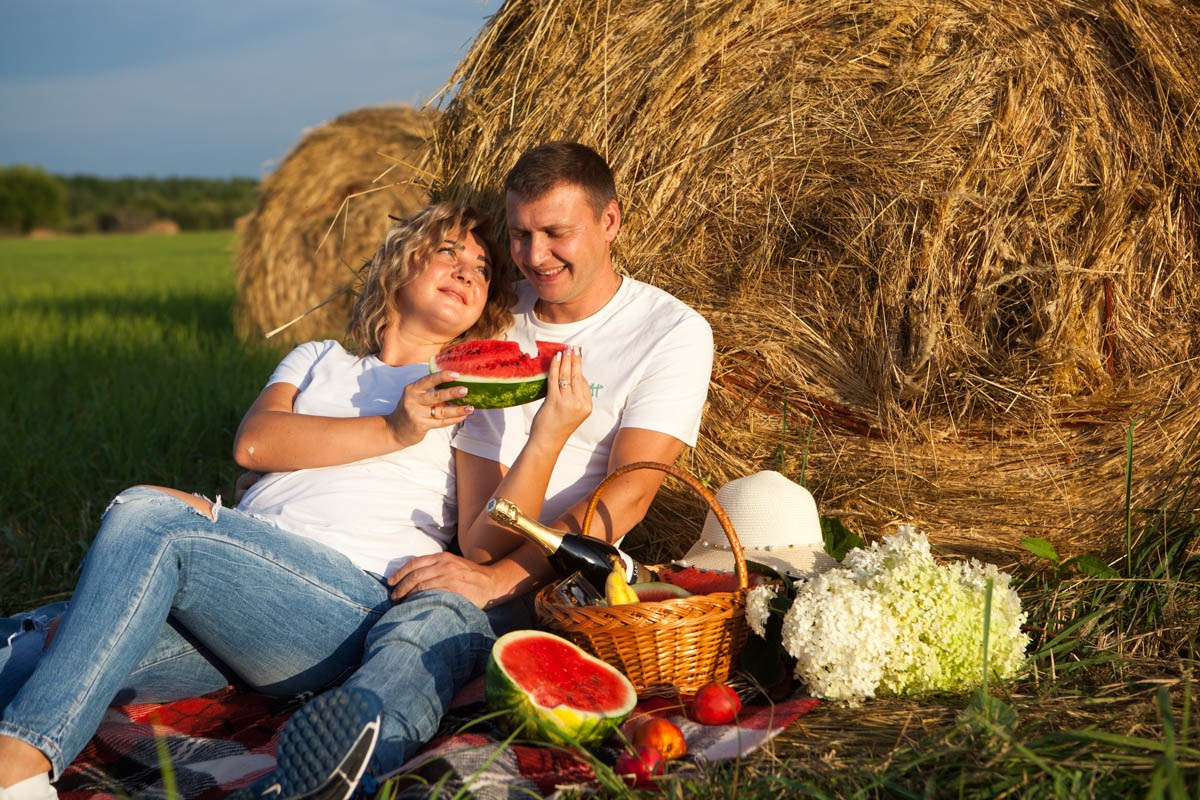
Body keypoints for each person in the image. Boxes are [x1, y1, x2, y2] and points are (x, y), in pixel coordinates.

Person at [0, 202, 595, 800]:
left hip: (349, 600)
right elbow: (255, 443)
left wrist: (546, 436)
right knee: (34, 658)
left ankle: (19, 769)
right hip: (243, 601)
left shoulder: (469, 395)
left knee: (149, 515)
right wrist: (394, 428)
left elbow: (483, 544)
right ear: (398, 265)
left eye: (484, 268)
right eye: (449, 252)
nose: (468, 270)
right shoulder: (317, 358)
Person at [277, 141, 715, 791]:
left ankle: (343, 765)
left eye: (556, 233)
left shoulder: (671, 331)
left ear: (610, 221)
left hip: (570, 581)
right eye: (519, 235)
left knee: (433, 620)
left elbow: (631, 492)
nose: (535, 257)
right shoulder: (492, 326)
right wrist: (484, 570)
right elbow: (477, 540)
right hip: (478, 559)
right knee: (429, 610)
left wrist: (500, 579)